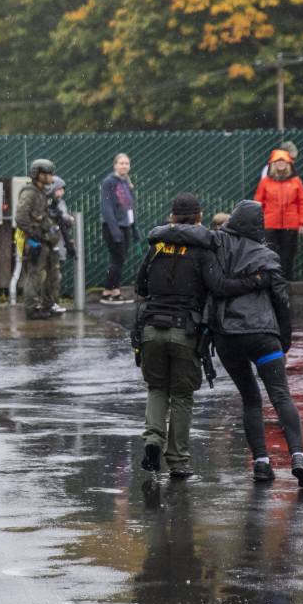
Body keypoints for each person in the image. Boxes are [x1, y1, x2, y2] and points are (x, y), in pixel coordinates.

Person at [132, 193, 267, 479]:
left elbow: (141, 286)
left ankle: (153, 441)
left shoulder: (156, 247)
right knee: (181, 395)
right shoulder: (203, 249)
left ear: (171, 217)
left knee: (157, 389)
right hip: (185, 331)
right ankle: (178, 462)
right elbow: (219, 287)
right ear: (199, 217)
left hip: (151, 328)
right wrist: (253, 281)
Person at [208, 200, 303, 488]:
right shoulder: (267, 256)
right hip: (263, 336)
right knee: (281, 395)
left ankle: (261, 462)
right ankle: (298, 457)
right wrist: (284, 338)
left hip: (227, 337)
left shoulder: (217, 248)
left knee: (250, 398)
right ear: (259, 224)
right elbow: (281, 299)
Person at [15, 159, 61, 319]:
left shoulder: (41, 192)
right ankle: (32, 308)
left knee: (46, 275)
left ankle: (44, 305)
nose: (51, 176)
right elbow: (20, 218)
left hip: (44, 241)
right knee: (35, 275)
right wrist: (35, 234)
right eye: (47, 173)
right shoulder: (30, 193)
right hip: (35, 242)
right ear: (38, 175)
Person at [253, 149, 303, 280]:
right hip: (270, 225)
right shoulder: (265, 182)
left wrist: (302, 222)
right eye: (278, 161)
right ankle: (272, 283)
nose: (281, 164)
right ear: (273, 164)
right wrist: (259, 223)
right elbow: (257, 203)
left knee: (288, 256)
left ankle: (285, 284)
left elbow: (302, 202)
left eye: (283, 161)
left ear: (288, 164)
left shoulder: (296, 181)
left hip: (290, 225)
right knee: (270, 254)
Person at [100, 153, 138, 304]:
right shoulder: (109, 182)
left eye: (127, 163)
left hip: (125, 226)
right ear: (115, 165)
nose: (124, 166)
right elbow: (107, 208)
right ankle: (107, 291)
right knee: (117, 259)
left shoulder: (126, 182)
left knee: (120, 259)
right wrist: (115, 230)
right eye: (121, 163)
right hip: (113, 227)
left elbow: (130, 207)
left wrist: (134, 228)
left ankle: (115, 291)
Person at [45, 176, 76, 315]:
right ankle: (50, 303)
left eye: (62, 189)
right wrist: (68, 219)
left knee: (55, 275)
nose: (61, 192)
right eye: (59, 189)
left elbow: (64, 221)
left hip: (58, 242)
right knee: (52, 276)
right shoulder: (48, 202)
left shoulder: (59, 203)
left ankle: (52, 302)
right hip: (50, 243)